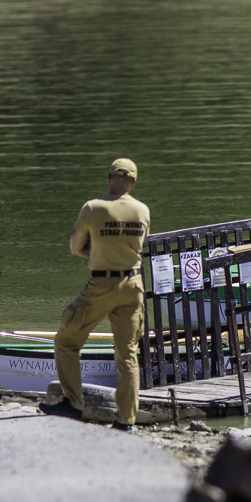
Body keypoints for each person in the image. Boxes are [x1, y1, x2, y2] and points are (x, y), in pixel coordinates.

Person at [42, 158, 151, 431]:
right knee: (127, 354)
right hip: (133, 284)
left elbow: (75, 247)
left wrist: (95, 253)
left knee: (66, 341)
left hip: (102, 284)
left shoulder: (93, 208)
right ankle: (126, 421)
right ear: (133, 182)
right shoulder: (142, 210)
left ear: (109, 179)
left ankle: (74, 404)